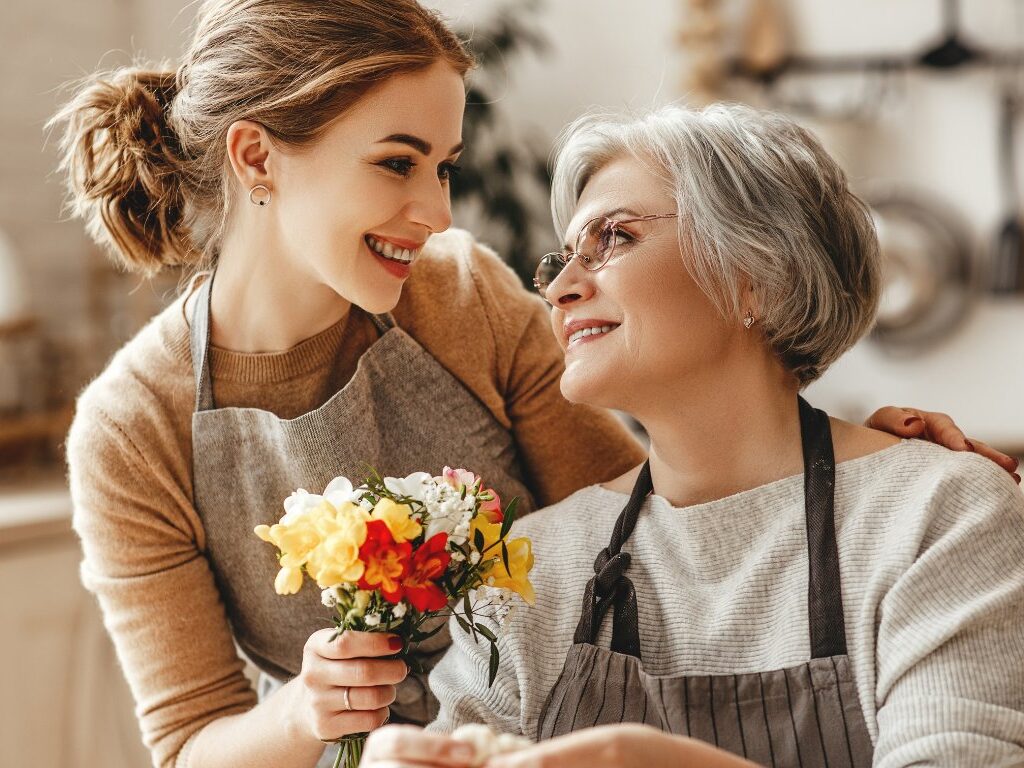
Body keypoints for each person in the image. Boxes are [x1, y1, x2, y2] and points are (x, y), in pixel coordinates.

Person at [51, 1, 1016, 766]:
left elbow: (671, 515)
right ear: (256, 156)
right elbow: (188, 744)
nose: (435, 211)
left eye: (445, 167)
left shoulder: (462, 302)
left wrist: (879, 474)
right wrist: (317, 711)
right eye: (398, 163)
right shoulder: (132, 428)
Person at [360, 104, 1024, 767]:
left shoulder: (941, 514)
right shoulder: (535, 564)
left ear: (758, 273)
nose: (560, 288)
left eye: (614, 237)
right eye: (560, 261)